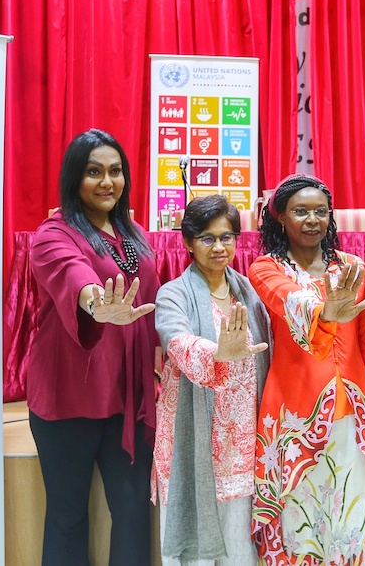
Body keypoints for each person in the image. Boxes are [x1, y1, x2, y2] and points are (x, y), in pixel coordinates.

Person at [249, 174, 365, 566]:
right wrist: (325, 313)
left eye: (320, 211)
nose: (312, 220)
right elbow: (287, 300)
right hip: (293, 419)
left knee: (350, 523)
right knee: (299, 527)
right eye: (300, 211)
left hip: (353, 417)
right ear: (281, 217)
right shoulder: (265, 268)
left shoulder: (350, 267)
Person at [26, 129, 159, 566]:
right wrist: (96, 304)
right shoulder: (53, 234)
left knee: (134, 512)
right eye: (94, 172)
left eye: (115, 171)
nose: (107, 182)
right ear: (74, 178)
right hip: (68, 399)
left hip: (127, 398)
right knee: (68, 517)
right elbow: (73, 273)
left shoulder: (133, 233)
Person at [153, 194, 272, 565]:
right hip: (194, 439)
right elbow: (176, 340)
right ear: (189, 242)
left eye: (226, 237)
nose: (219, 247)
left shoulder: (248, 292)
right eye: (207, 238)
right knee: (196, 555)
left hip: (242, 441)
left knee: (239, 547)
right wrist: (218, 352)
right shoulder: (173, 293)